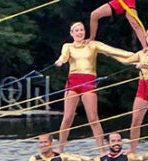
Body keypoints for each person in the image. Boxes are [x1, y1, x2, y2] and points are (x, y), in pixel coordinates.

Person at [55, 22, 134, 154]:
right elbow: (63, 56)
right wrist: (60, 61)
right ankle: (60, 149)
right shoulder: (68, 46)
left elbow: (112, 51)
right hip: (73, 83)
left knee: (93, 118)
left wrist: (134, 56)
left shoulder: (93, 45)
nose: (80, 32)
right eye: (76, 30)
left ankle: (102, 151)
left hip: (88, 83)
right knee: (68, 117)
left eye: (82, 30)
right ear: (71, 33)